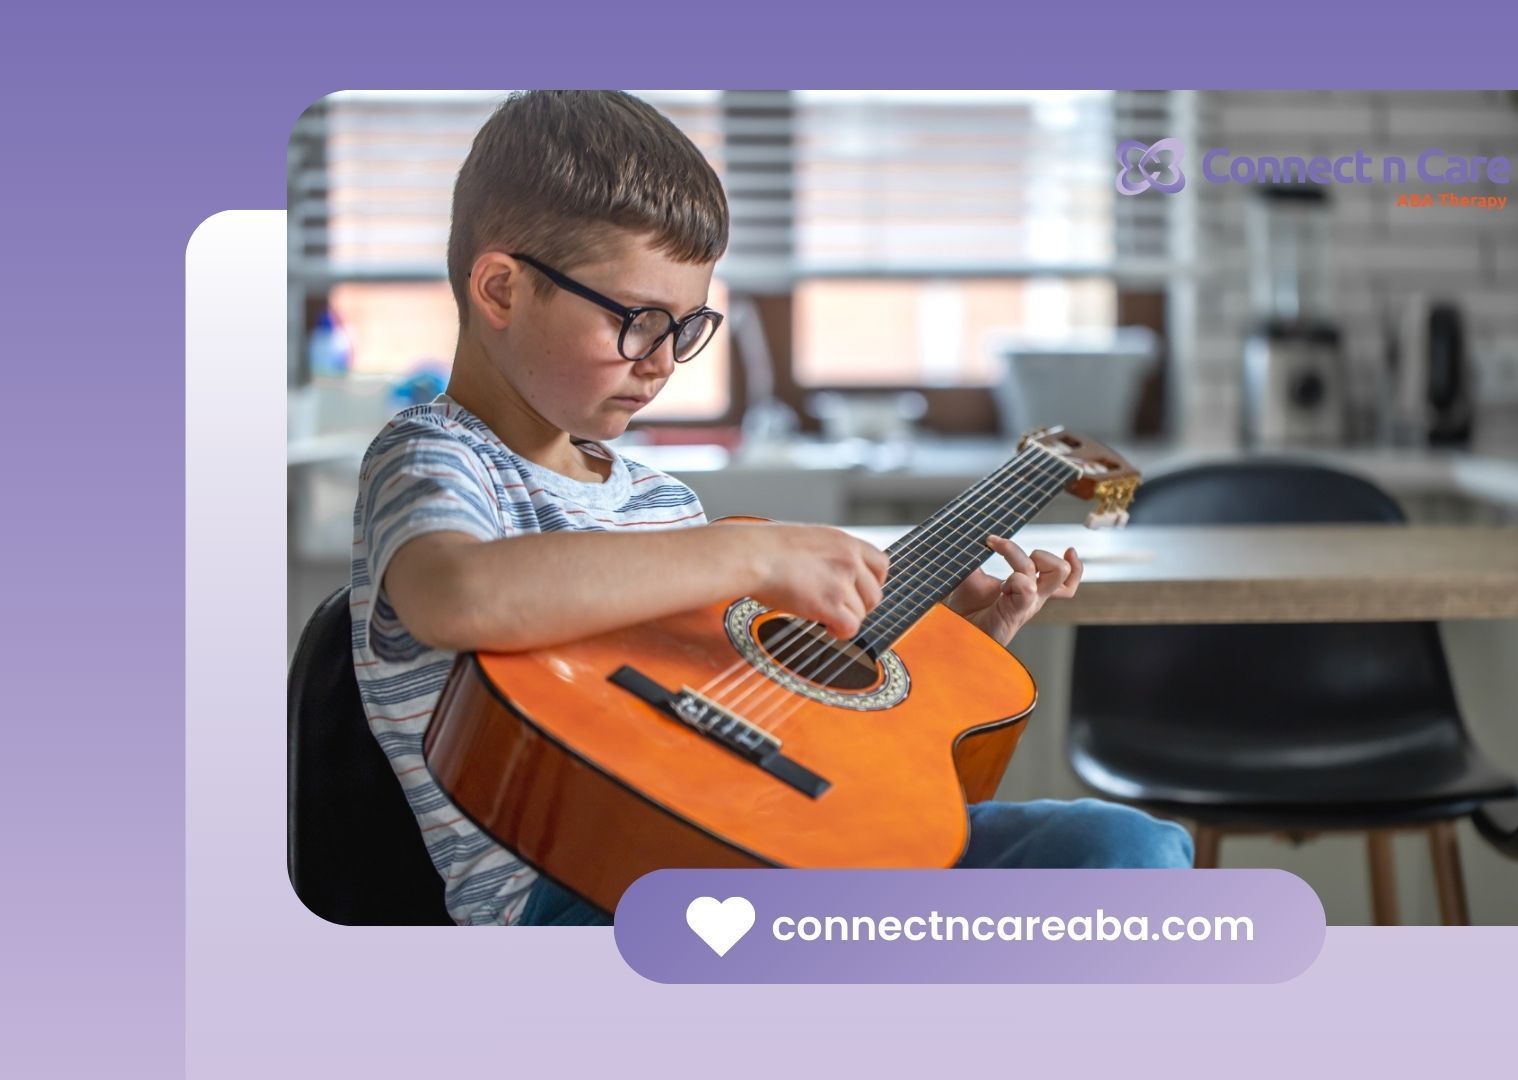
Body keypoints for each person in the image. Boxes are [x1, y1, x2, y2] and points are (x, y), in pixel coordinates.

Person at [350, 90, 1193, 927]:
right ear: (500, 290)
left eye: (688, 328)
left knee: (1131, 852)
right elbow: (458, 594)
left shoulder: (659, 500)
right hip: (574, 887)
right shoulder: (435, 453)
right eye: (640, 321)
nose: (666, 362)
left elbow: (760, 722)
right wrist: (751, 554)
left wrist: (954, 652)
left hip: (755, 841)